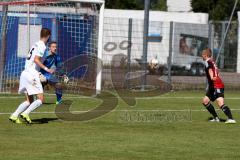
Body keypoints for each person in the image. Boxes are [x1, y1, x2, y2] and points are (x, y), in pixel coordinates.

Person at [9, 28, 53, 124]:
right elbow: (36, 60)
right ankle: (26, 113)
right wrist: (46, 69)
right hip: (31, 74)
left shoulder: (35, 44)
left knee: (29, 100)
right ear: (48, 36)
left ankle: (14, 115)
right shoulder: (42, 45)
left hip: (25, 73)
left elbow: (36, 59)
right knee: (41, 99)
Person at [201, 48, 236, 124]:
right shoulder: (211, 61)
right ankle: (216, 118)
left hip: (217, 84)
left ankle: (231, 119)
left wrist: (212, 77)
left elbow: (211, 70)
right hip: (212, 86)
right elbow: (215, 70)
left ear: (206, 55)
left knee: (220, 102)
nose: (201, 56)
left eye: (202, 54)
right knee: (205, 101)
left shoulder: (207, 62)